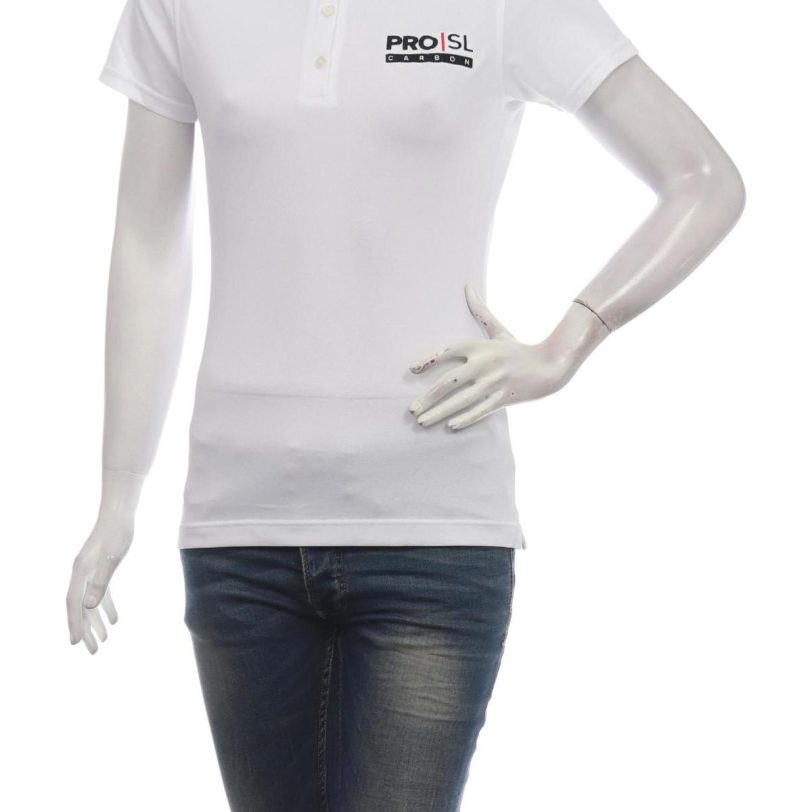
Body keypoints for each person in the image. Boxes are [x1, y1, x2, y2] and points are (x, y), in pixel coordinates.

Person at [66, 0, 745, 809]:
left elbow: (703, 181)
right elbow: (150, 244)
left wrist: (566, 345)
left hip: (433, 532)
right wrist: (117, 498)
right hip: (238, 531)